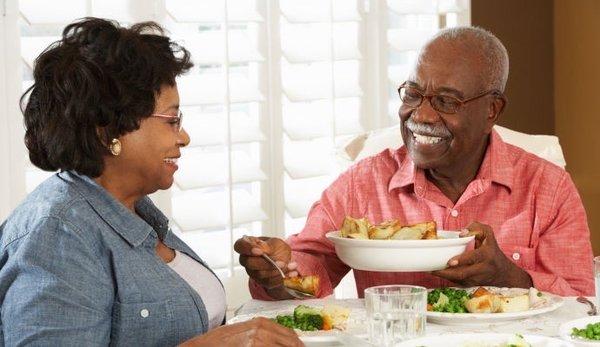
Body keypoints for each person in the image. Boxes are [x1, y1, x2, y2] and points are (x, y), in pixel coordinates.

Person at [0, 17, 302, 346]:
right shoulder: (58, 236)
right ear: (109, 131)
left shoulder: (133, 210)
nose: (184, 137)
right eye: (172, 120)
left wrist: (271, 285)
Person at [235, 26, 594, 300]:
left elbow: (582, 305)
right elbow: (310, 266)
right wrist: (280, 270)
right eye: (413, 93)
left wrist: (509, 278)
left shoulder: (548, 188)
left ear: (491, 111)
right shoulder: (364, 183)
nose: (420, 114)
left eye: (446, 101)